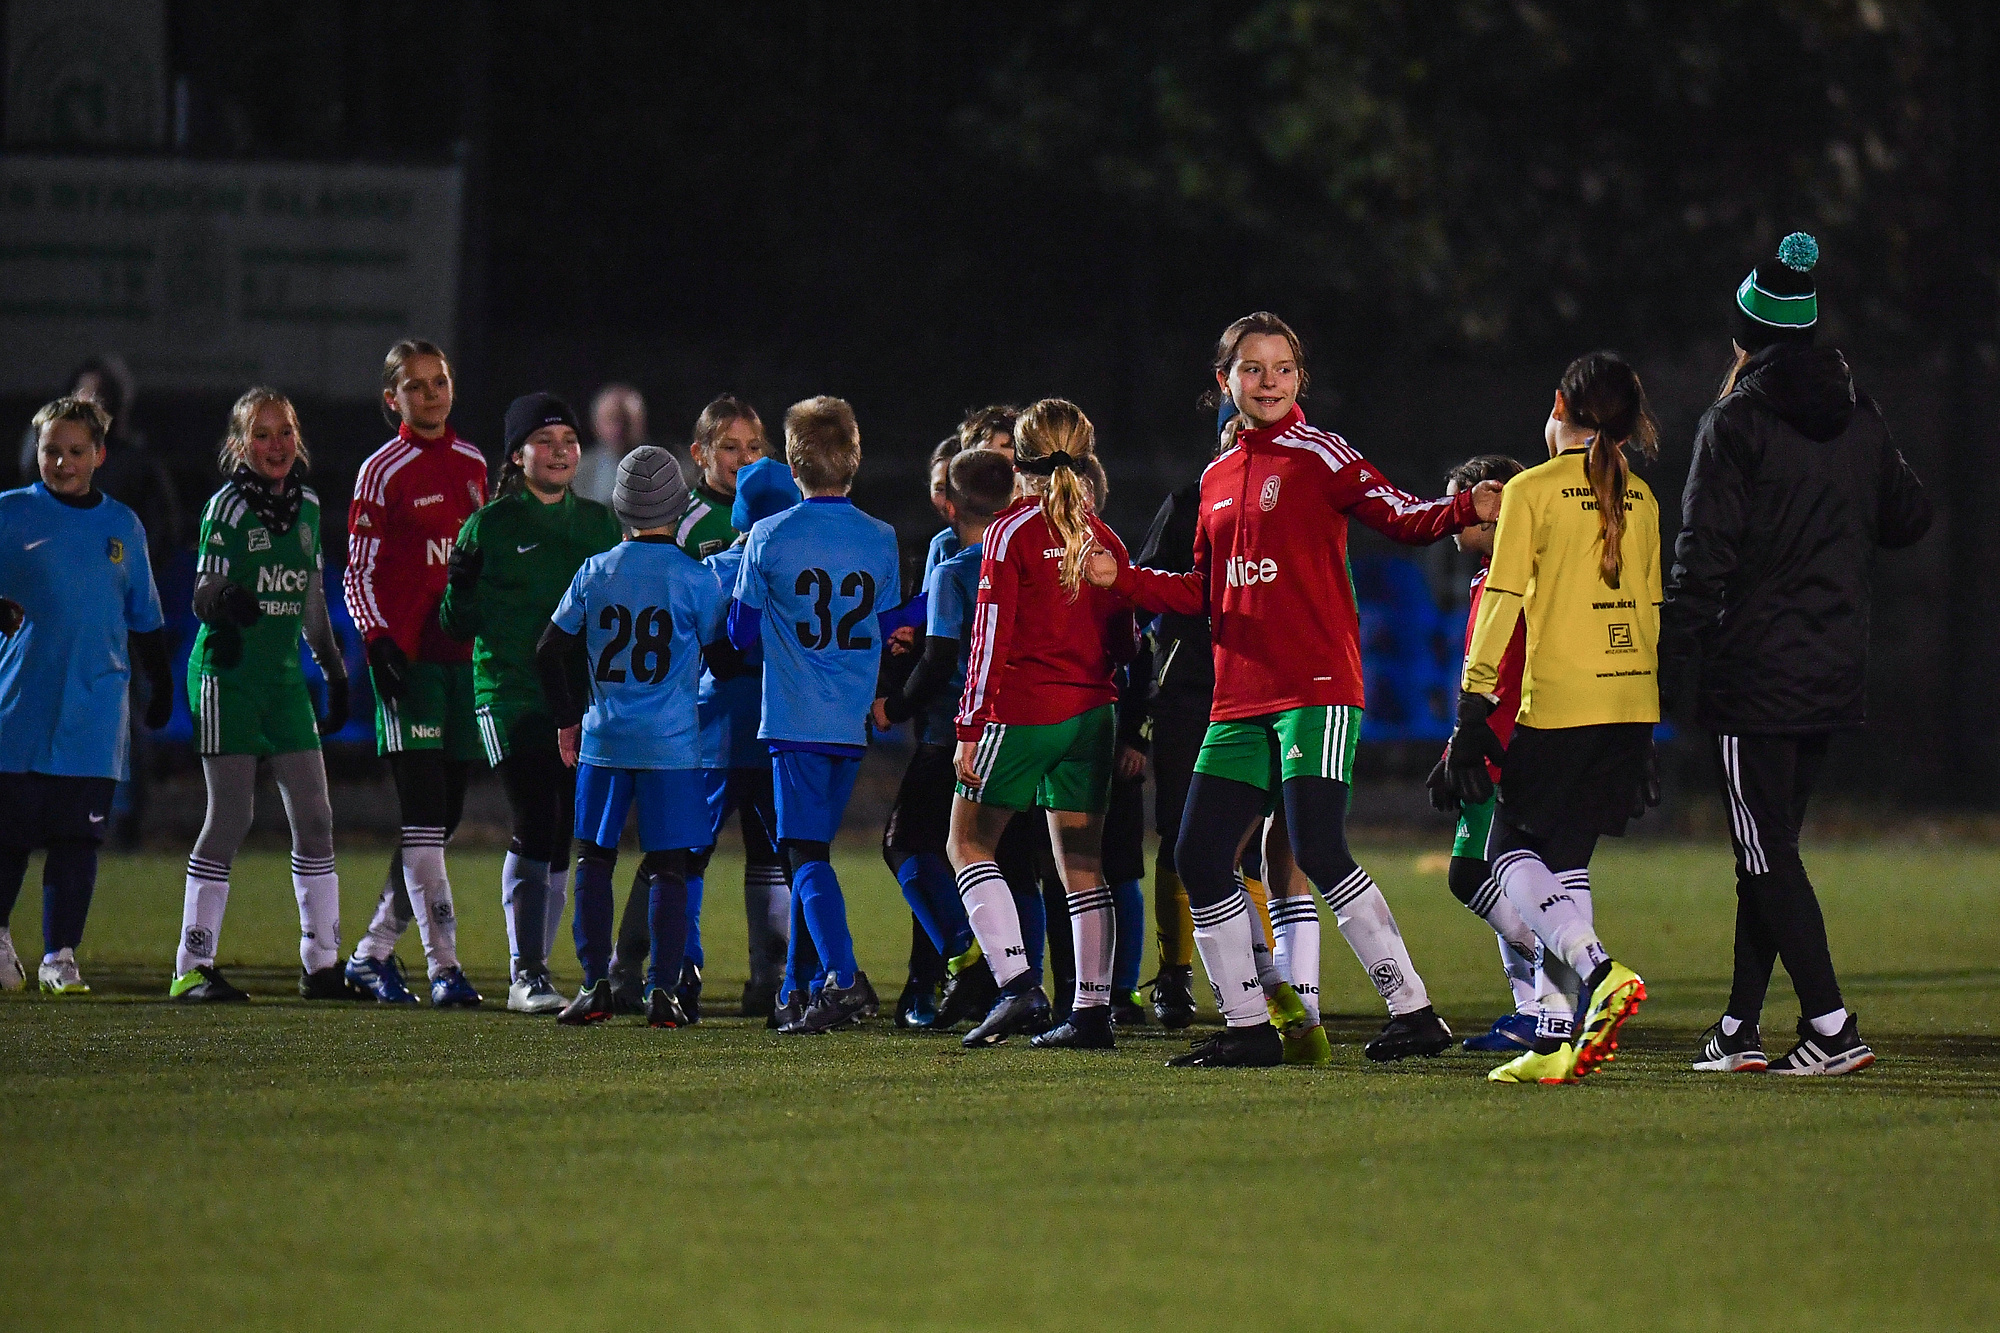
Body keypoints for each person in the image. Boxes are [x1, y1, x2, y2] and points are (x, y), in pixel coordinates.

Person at [1086, 311, 1498, 1068]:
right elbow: (1209, 591)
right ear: (1225, 382)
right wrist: (1127, 581)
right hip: (1239, 695)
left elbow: (1401, 516)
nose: (1268, 381)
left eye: (1281, 368)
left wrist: (1460, 510)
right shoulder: (1214, 478)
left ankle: (1414, 1009)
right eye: (1252, 368)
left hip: (1315, 685)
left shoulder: (1320, 454)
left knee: (1317, 844)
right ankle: (1248, 1026)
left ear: (1299, 378)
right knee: (1198, 853)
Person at [1663, 233, 1930, 1077]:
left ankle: (1830, 1026)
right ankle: (1739, 1027)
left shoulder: (1735, 420)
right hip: (1832, 663)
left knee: (1764, 849)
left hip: (1754, 670)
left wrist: (1675, 658)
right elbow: (1910, 517)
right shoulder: (1860, 412)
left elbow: (1703, 552)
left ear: (1747, 336)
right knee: (1767, 848)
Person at [1444, 351, 1659, 1087]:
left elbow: (1501, 599)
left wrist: (1473, 707)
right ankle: (1560, 1038)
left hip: (1560, 705)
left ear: (1558, 403)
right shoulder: (1646, 500)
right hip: (1630, 706)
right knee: (1565, 861)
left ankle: (1601, 972)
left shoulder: (1533, 490)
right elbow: (1652, 613)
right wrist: (1649, 728)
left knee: (1506, 852)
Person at [946, 398, 1138, 1051]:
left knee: (967, 843)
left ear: (1017, 461)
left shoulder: (1010, 530)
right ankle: (1090, 1013)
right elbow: (1129, 641)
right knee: (1083, 866)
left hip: (1027, 709)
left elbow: (989, 635)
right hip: (1095, 715)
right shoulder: (1103, 534)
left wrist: (970, 722)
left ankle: (1016, 982)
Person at [728, 396, 914, 1035]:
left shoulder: (769, 536)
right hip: (850, 721)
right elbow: (890, 625)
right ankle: (799, 989)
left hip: (794, 717)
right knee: (813, 856)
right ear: (854, 458)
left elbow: (740, 633)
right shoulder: (881, 536)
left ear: (793, 462)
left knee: (802, 854)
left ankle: (842, 978)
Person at [535, 446, 732, 1028]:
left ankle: (595, 984)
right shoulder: (695, 579)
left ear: (620, 506)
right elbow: (724, 656)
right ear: (677, 504)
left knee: (594, 859)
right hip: (672, 744)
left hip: (604, 739)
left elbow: (550, 648)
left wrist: (569, 716)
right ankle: (663, 992)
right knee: (670, 865)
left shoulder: (596, 571)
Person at [439, 392, 621, 1014]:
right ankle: (526, 972)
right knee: (536, 818)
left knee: (566, 826)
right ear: (517, 456)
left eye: (568, 439)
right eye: (545, 441)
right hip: (509, 691)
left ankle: (537, 971)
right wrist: (458, 583)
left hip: (578, 699)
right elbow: (457, 624)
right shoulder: (490, 525)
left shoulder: (598, 523)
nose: (561, 450)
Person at [171, 388, 353, 1002]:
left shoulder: (305, 505)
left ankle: (322, 964)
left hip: (280, 679)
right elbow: (201, 592)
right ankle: (191, 967)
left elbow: (310, 599)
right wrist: (224, 600)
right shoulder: (226, 508)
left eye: (284, 434)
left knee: (317, 818)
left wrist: (333, 669)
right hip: (228, 675)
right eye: (262, 435)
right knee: (231, 817)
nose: (275, 446)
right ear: (238, 445)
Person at [0, 397, 173, 993]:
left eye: (76, 451)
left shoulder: (122, 526)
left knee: (78, 840)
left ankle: (60, 955)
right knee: (10, 838)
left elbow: (145, 616)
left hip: (94, 715)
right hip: (18, 709)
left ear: (99, 454)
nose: (62, 462)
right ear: (36, 452)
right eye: (51, 450)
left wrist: (161, 685)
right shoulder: (9, 515)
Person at [606, 394, 768, 1017]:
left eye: (754, 447)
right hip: (694, 713)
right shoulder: (686, 521)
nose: (743, 459)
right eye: (730, 447)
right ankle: (656, 965)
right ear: (699, 455)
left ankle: (769, 975)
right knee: (680, 846)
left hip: (758, 713)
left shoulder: (776, 520)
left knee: (769, 846)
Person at [340, 339, 486, 1007]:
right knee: (426, 816)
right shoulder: (382, 470)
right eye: (417, 386)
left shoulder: (473, 463)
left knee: (446, 813)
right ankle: (444, 966)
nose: (431, 395)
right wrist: (377, 641)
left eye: (440, 382)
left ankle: (371, 952)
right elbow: (356, 572)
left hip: (461, 664)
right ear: (390, 399)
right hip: (410, 664)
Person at [874, 448, 1016, 1029]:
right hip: (1020, 729)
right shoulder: (1022, 559)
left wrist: (895, 704)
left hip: (952, 733)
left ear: (950, 506)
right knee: (1013, 861)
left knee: (904, 843)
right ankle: (1028, 986)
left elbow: (940, 659)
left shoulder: (954, 568)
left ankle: (973, 958)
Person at [1424, 453, 1544, 1052]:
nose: (1454, 519)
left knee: (1472, 873)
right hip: (1486, 742)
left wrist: (1478, 745)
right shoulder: (1489, 574)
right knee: (1500, 876)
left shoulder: (1518, 575)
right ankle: (1532, 1008)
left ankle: (1560, 976)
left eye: (1462, 506)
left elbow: (1510, 670)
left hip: (1508, 746)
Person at [692, 456, 800, 1020]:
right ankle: (776, 979)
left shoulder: (714, 571)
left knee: (687, 851)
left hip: (712, 732)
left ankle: (671, 972)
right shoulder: (799, 572)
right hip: (777, 730)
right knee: (781, 854)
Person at [572, 383, 650, 508]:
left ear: (641, 422)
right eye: (610, 420)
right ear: (596, 423)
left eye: (626, 421)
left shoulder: (674, 469)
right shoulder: (576, 473)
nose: (618, 429)